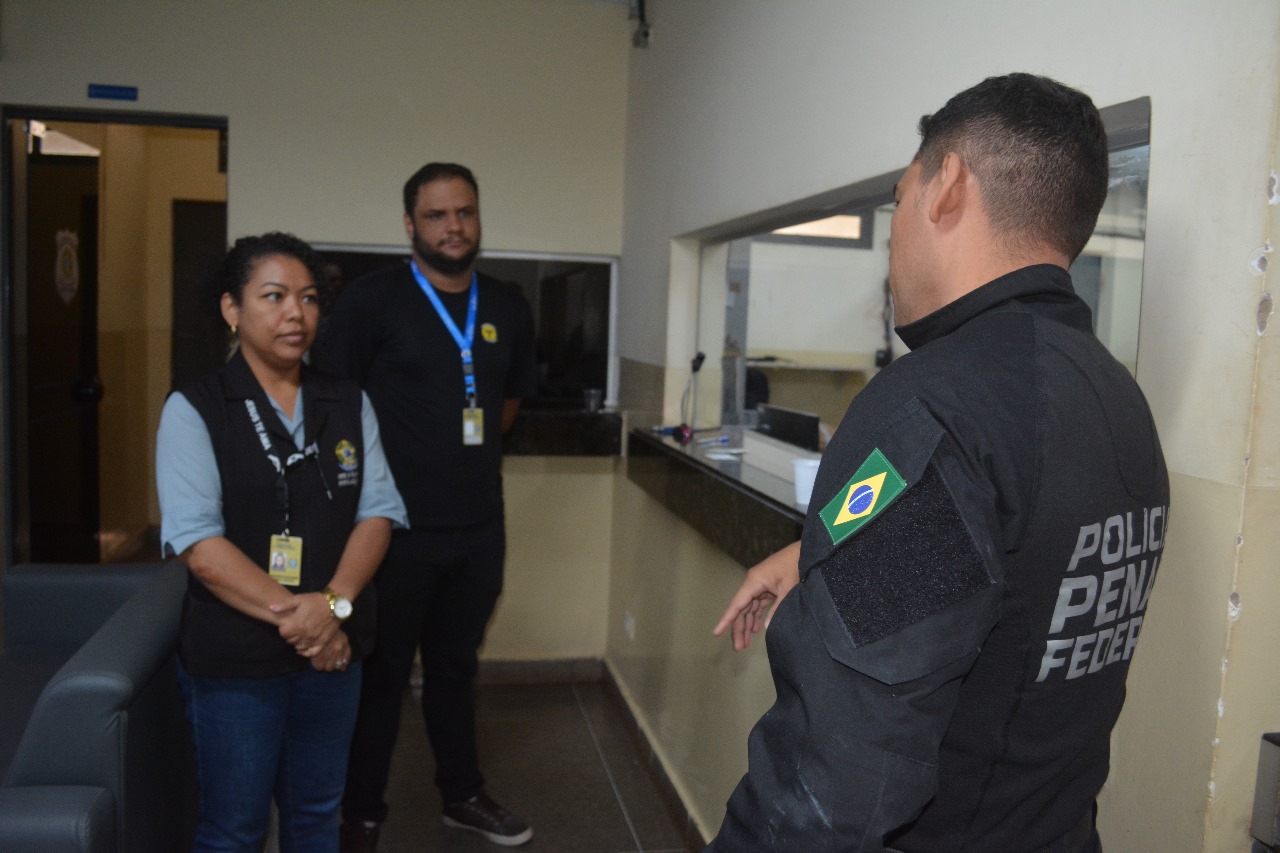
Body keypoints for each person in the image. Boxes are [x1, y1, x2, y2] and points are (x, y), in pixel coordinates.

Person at [709, 73, 1169, 852]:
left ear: (948, 183)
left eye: (899, 199)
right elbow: (1017, 567)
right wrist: (826, 554)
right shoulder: (1113, 396)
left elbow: (841, 773)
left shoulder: (933, 407)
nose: (894, 236)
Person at [156, 232, 408, 852]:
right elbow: (200, 545)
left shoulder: (347, 401)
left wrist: (334, 606)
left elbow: (377, 513)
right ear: (232, 309)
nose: (296, 313)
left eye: (309, 298)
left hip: (333, 655)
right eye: (274, 296)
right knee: (234, 829)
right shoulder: (195, 408)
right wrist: (307, 621)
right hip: (238, 663)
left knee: (316, 816)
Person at [316, 162, 537, 850]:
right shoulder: (371, 301)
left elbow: (506, 404)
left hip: (478, 527)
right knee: (380, 675)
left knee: (455, 667)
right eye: (437, 215)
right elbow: (332, 403)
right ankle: (360, 813)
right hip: (391, 532)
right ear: (410, 225)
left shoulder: (506, 304)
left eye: (464, 212)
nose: (453, 227)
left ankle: (462, 794)